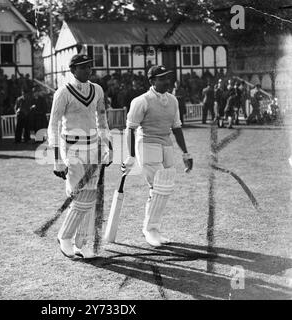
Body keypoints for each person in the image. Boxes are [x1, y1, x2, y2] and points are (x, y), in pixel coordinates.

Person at [47, 54, 112, 259]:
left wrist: (107, 146)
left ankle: (81, 243)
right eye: (82, 67)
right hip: (72, 147)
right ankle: (64, 237)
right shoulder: (63, 92)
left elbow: (102, 120)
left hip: (93, 146)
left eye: (89, 67)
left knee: (91, 196)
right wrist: (57, 159)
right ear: (73, 69)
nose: (87, 71)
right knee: (80, 195)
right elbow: (53, 125)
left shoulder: (98, 90)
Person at [122, 65, 193, 247]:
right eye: (161, 78)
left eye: (167, 77)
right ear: (152, 81)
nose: (166, 81)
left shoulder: (173, 100)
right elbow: (130, 128)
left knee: (165, 187)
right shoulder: (141, 101)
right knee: (158, 187)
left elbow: (176, 127)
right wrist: (130, 156)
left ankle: (153, 228)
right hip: (146, 143)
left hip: (166, 144)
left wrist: (186, 153)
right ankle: (150, 230)